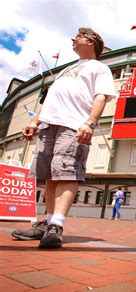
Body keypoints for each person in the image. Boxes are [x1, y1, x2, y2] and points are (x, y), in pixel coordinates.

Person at [11, 27, 116, 249]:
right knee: (49, 175)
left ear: (91, 42)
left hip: (73, 124)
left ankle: (57, 225)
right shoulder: (66, 70)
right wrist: (35, 121)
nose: (73, 39)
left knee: (67, 172)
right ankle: (46, 223)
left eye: (79, 37)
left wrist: (89, 122)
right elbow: (50, 101)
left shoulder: (99, 68)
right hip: (49, 125)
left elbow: (101, 97)